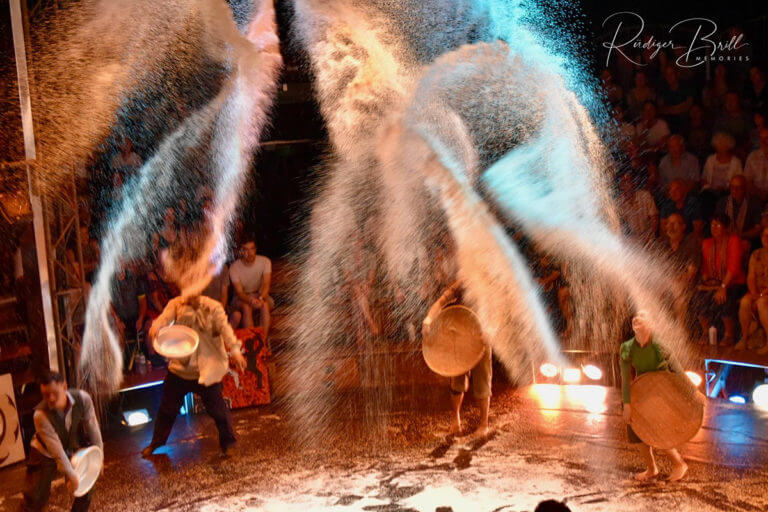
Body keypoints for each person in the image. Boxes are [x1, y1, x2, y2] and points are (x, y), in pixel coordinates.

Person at [142, 292, 247, 457]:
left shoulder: (213, 307)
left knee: (218, 411)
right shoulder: (176, 304)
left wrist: (235, 351)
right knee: (167, 410)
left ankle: (229, 443)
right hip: (180, 369)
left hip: (205, 369)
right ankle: (156, 443)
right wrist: (156, 327)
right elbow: (163, 319)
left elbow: (226, 330)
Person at [620, 311, 688, 482]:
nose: (637, 317)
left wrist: (693, 393)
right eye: (635, 315)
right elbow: (626, 378)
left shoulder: (659, 346)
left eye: (643, 315)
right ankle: (651, 468)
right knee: (637, 431)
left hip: (662, 392)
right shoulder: (627, 347)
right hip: (642, 391)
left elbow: (678, 371)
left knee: (658, 431)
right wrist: (626, 404)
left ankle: (679, 464)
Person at [22, 371, 103, 512]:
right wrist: (72, 476)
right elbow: (58, 452)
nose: (51, 399)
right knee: (36, 497)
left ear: (65, 386)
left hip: (70, 444)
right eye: (46, 395)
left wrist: (100, 455)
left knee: (87, 485)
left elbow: (93, 427)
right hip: (44, 452)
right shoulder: (40, 415)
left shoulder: (83, 399)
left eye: (55, 393)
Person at [422, 280, 491, 438]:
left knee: (482, 382)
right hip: (460, 336)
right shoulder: (462, 282)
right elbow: (440, 303)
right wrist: (428, 319)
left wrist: (491, 330)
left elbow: (498, 312)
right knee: (457, 380)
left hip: (482, 337)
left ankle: (484, 424)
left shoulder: (489, 283)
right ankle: (456, 419)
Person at [696, 214, 747, 346]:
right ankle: (706, 332)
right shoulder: (707, 243)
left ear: (726, 228)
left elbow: (734, 268)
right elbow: (705, 269)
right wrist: (708, 281)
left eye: (718, 225)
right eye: (712, 225)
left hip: (733, 282)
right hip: (714, 283)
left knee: (725, 297)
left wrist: (723, 287)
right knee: (700, 296)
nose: (714, 228)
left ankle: (729, 334)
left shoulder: (733, 241)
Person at [228, 239, 272, 338]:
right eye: (246, 250)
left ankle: (262, 342)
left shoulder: (265, 261)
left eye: (252, 249)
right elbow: (239, 292)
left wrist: (260, 298)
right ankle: (252, 341)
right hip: (241, 297)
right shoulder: (234, 267)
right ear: (241, 251)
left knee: (264, 305)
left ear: (255, 249)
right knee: (246, 307)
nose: (249, 253)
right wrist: (251, 300)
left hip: (259, 293)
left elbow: (266, 284)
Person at [737, 226, 768, 353]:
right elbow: (751, 276)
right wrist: (755, 293)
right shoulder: (756, 254)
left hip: (766, 293)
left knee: (762, 304)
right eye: (764, 236)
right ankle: (744, 338)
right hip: (759, 292)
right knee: (745, 301)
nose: (766, 239)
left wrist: (761, 295)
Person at [744, 128, 768, 200]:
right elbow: (747, 179)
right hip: (755, 196)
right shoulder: (753, 156)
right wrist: (759, 193)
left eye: (767, 138)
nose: (763, 141)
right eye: (761, 138)